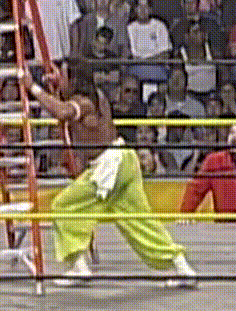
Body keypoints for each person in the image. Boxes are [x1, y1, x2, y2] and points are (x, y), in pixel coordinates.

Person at [23, 71, 197, 287]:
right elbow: (64, 106)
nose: (58, 76)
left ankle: (79, 267)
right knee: (140, 221)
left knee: (63, 205)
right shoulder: (95, 96)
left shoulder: (85, 103)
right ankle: (182, 266)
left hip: (109, 167)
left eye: (64, 74)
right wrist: (58, 86)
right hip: (123, 160)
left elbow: (61, 111)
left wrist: (33, 87)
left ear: (75, 79)